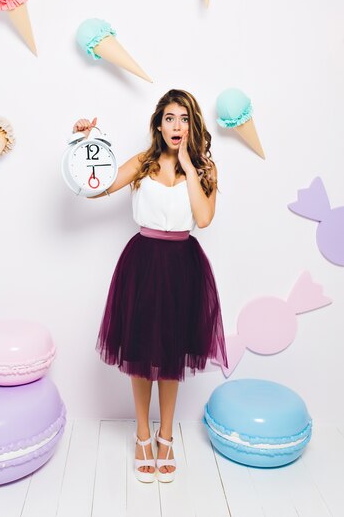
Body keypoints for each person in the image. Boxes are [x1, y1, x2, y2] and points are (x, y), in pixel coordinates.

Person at [72, 89, 227, 483]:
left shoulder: (205, 169)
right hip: (143, 262)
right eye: (170, 118)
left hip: (182, 266)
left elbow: (204, 219)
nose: (177, 126)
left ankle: (165, 436)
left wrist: (191, 166)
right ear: (158, 124)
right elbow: (99, 187)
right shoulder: (143, 163)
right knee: (140, 353)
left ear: (193, 125)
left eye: (185, 118)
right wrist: (85, 145)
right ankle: (142, 435)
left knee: (172, 356)